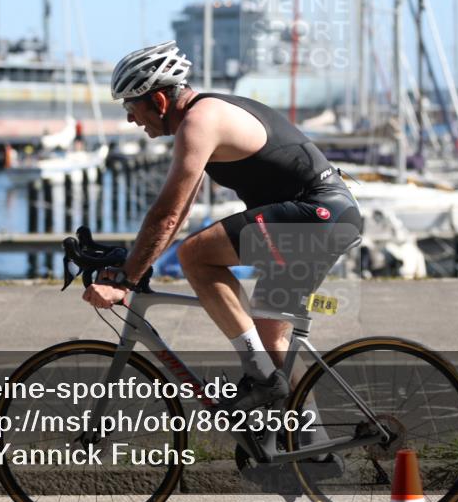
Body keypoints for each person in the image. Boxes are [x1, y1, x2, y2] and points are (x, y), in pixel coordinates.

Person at [83, 41, 362, 410]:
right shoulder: (205, 118)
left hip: (316, 215)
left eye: (131, 107)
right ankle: (315, 446)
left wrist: (127, 280)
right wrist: (133, 261)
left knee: (196, 256)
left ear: (160, 102)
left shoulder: (201, 122)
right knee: (272, 341)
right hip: (330, 218)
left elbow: (166, 214)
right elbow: (178, 214)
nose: (131, 119)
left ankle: (260, 379)